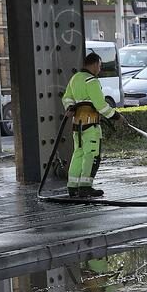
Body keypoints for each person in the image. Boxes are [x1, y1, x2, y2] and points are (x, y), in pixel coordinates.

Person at [61, 51, 122, 199]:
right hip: (91, 125)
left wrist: (71, 107)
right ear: (94, 65)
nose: (99, 69)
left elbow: (66, 98)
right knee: (91, 155)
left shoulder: (75, 79)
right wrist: (116, 116)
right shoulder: (91, 81)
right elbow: (100, 105)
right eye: (99, 66)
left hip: (77, 125)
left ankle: (73, 187)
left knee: (78, 154)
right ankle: (85, 187)